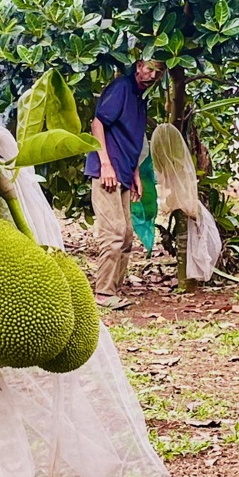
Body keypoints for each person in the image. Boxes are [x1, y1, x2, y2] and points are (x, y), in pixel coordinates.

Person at [85, 59, 166, 308]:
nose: (152, 75)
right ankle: (103, 294)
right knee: (114, 233)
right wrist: (106, 165)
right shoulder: (121, 88)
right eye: (149, 69)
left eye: (158, 72)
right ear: (139, 66)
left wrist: (135, 175)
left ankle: (113, 289)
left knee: (127, 234)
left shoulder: (140, 98)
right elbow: (97, 123)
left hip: (123, 171)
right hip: (107, 171)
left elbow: (129, 139)